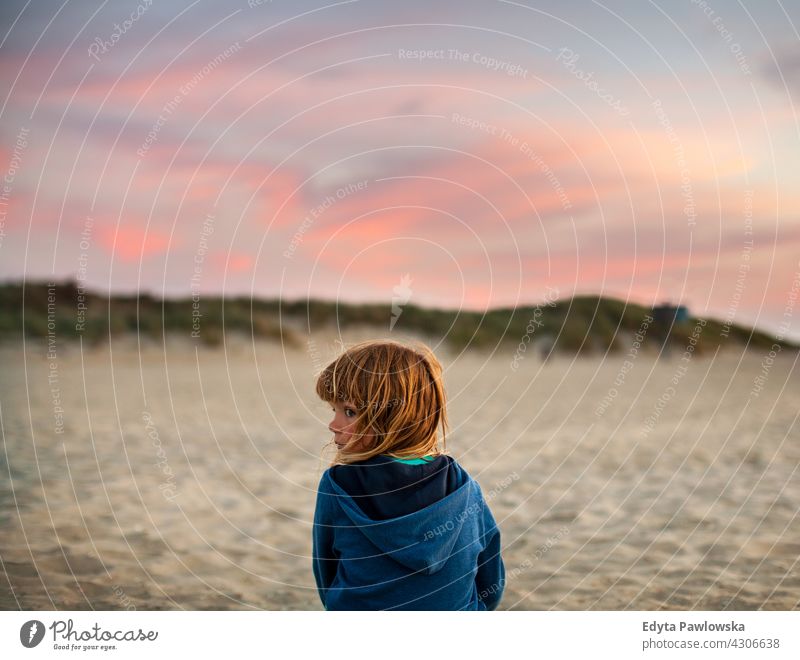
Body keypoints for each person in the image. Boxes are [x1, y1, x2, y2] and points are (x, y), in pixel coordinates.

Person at [311, 339, 505, 610]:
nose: (333, 424)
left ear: (395, 415)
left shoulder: (337, 487)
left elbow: (326, 579)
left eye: (350, 412)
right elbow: (491, 584)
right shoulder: (464, 487)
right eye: (335, 410)